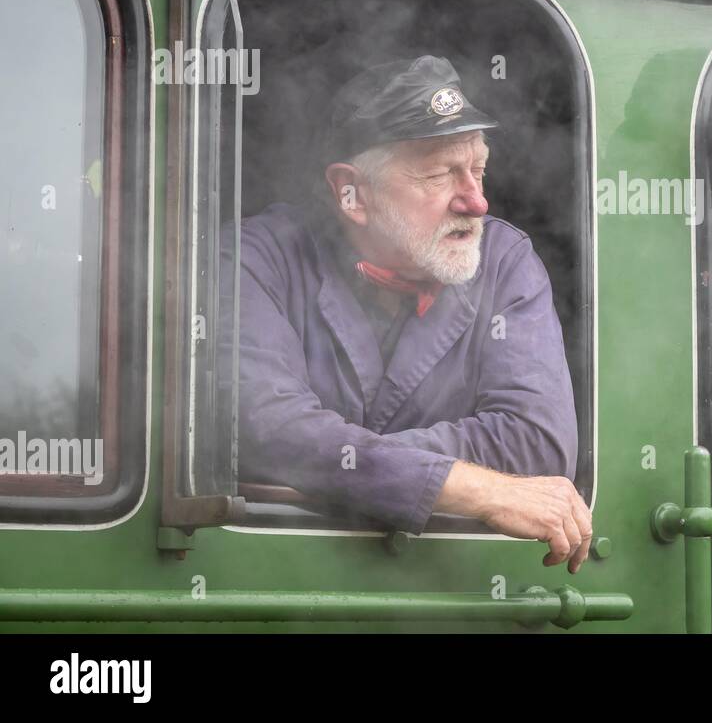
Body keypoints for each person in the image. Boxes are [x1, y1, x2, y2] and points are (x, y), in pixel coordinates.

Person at [229, 55, 591, 572]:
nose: (477, 201)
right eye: (441, 175)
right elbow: (265, 431)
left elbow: (538, 443)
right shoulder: (256, 258)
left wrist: (331, 459)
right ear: (351, 193)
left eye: (478, 170)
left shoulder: (506, 263)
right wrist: (478, 489)